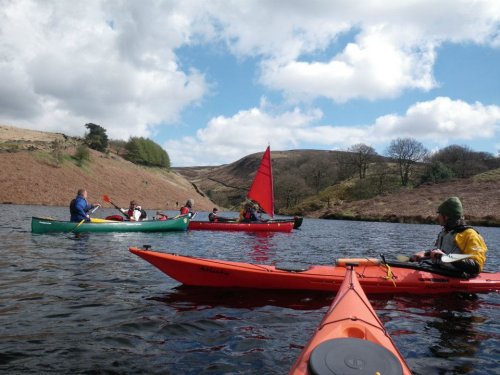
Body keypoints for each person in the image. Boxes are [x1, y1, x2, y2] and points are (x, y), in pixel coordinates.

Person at [411, 196, 487, 277]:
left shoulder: (470, 235)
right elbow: (442, 251)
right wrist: (425, 254)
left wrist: (444, 257)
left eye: (440, 214)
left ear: (447, 217)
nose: (438, 217)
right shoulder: (446, 232)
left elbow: (475, 267)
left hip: (458, 277)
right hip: (441, 272)